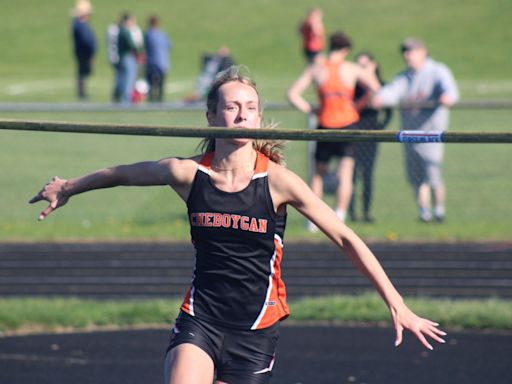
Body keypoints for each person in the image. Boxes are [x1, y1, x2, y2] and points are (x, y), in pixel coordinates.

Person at [30, 66, 446, 384]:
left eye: (249, 109)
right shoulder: (187, 174)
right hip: (200, 320)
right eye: (231, 107)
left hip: (256, 331)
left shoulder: (279, 182)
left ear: (260, 118)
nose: (241, 116)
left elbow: (344, 236)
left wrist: (396, 302)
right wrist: (68, 186)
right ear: (211, 115)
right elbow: (119, 173)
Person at [287, 31, 381, 230]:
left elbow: (292, 94)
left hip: (325, 125)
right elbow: (374, 86)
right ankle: (340, 216)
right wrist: (359, 105)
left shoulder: (317, 68)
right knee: (345, 173)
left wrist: (310, 109)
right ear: (346, 50)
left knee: (318, 173)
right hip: (348, 125)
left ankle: (314, 220)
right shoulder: (351, 68)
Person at [373, 38, 459, 222]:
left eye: (410, 50)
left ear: (422, 51)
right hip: (410, 134)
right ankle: (424, 212)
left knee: (433, 173)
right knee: (416, 177)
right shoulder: (405, 77)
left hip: (432, 134)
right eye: (404, 51)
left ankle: (439, 211)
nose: (406, 55)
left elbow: (450, 92)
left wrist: (446, 97)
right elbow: (391, 92)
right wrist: (379, 98)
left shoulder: (437, 71)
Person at [348, 52, 393, 223]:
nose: (362, 69)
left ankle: (366, 212)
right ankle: (350, 212)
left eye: (365, 65)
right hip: (352, 133)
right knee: (351, 174)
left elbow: (389, 111)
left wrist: (380, 127)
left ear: (374, 65)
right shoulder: (354, 86)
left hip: (371, 135)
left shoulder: (381, 86)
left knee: (367, 174)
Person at [115, 13, 144, 104]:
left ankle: (122, 99)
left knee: (123, 79)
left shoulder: (121, 30)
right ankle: (126, 101)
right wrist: (140, 50)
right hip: (127, 58)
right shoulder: (125, 31)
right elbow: (132, 44)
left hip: (124, 58)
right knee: (128, 80)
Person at [71, 0, 97, 100]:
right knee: (82, 72)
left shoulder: (80, 24)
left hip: (83, 52)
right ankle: (82, 93)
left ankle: (82, 92)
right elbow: (86, 40)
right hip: (83, 53)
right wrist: (91, 51)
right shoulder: (80, 24)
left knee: (83, 72)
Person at [144, 15, 172, 102]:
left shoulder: (148, 34)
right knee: (161, 85)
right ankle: (160, 101)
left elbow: (143, 46)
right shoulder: (163, 34)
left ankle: (151, 100)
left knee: (151, 84)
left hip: (152, 63)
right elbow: (169, 46)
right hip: (163, 63)